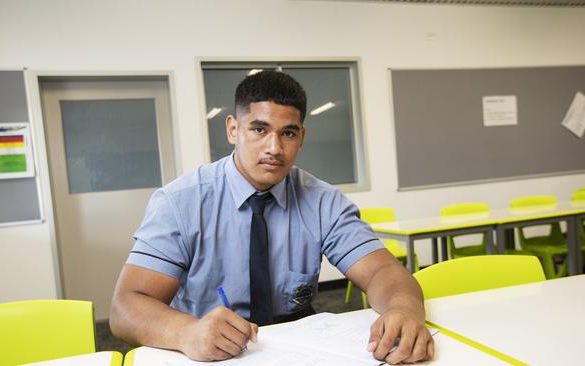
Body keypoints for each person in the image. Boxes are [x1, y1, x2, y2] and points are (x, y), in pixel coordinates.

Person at [110, 71, 434, 364]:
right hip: (210, 352)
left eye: (288, 133)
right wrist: (185, 332)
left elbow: (381, 271)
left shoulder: (323, 201)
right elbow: (126, 307)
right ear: (233, 129)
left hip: (299, 349)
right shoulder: (181, 202)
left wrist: (403, 310)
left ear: (302, 137)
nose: (274, 148)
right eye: (259, 129)